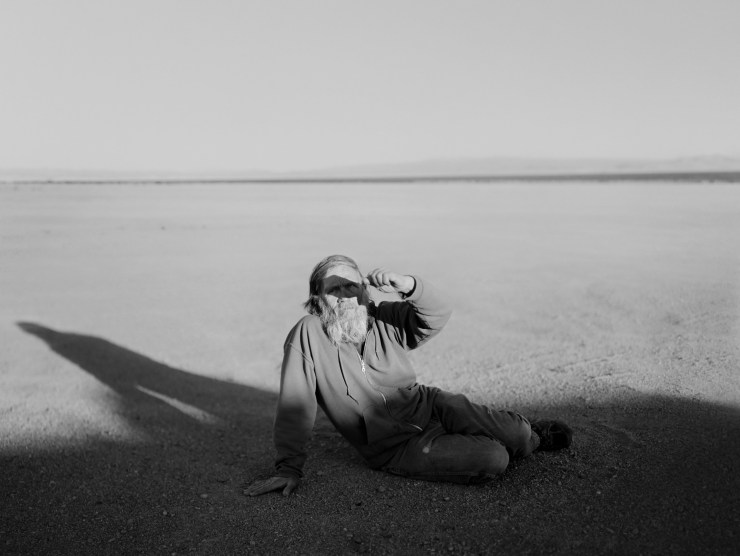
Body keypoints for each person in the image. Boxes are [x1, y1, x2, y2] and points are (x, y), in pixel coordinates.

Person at [245, 255, 572, 496]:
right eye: (334, 290)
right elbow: (295, 406)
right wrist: (289, 468)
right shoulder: (309, 335)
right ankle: (513, 443)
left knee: (516, 433)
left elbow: (438, 312)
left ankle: (528, 437)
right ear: (318, 300)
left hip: (431, 405)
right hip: (394, 447)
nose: (345, 297)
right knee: (494, 458)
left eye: (352, 287)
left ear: (365, 292)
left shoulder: (385, 318)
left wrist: (410, 286)